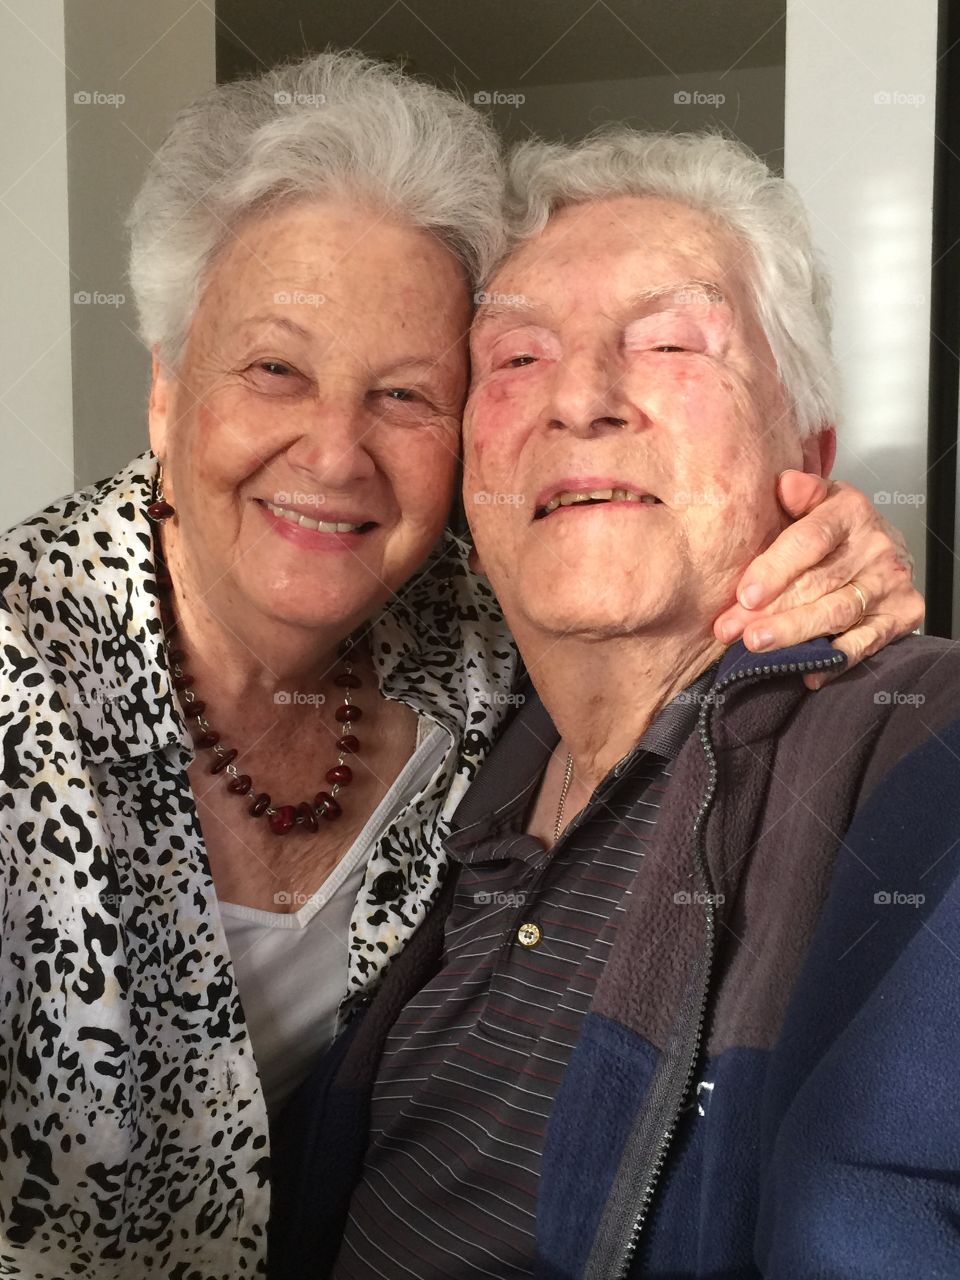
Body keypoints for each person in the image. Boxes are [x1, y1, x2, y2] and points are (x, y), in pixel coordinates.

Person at [0, 55, 920, 1278]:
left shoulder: (484, 646)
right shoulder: (23, 683)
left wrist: (825, 553)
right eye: (275, 367)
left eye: (407, 391)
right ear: (166, 390)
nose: (334, 452)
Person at [274, 131, 958, 1280]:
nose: (583, 399)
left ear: (811, 454)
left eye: (673, 341)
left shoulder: (917, 750)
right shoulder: (446, 750)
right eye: (520, 358)